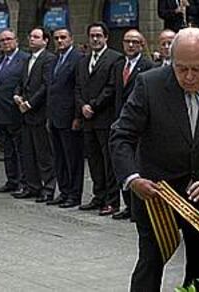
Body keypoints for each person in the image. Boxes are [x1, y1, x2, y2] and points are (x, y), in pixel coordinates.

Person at [109, 27, 199, 292]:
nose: (188, 77)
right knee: (150, 264)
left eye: (197, 69)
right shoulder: (150, 84)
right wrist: (132, 179)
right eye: (181, 68)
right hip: (155, 196)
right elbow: (121, 136)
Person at [75, 22, 122, 216]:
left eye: (98, 36)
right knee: (94, 161)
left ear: (106, 37)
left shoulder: (115, 58)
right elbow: (77, 87)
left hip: (104, 118)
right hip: (88, 120)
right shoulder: (83, 61)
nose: (95, 39)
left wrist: (93, 105)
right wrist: (82, 107)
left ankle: (112, 201)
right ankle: (98, 196)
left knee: (108, 162)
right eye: (92, 36)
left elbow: (111, 88)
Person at [112, 29, 154, 220]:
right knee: (122, 162)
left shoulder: (148, 67)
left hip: (140, 124)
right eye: (127, 42)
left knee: (136, 166)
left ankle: (137, 207)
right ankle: (127, 205)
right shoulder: (119, 64)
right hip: (120, 122)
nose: (130, 45)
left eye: (135, 42)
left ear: (141, 44)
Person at [13, 26, 56, 203]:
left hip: (39, 112)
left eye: (36, 37)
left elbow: (46, 85)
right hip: (25, 113)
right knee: (28, 152)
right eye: (31, 36)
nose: (32, 39)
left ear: (45, 41)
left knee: (43, 154)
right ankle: (32, 186)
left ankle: (48, 188)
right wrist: (17, 95)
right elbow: (22, 82)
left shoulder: (48, 59)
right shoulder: (27, 59)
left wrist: (30, 103)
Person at [46, 27, 84, 208]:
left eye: (63, 37)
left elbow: (78, 88)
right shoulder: (54, 60)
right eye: (56, 38)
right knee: (59, 157)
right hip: (54, 117)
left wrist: (77, 117)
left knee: (72, 158)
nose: (59, 41)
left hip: (70, 117)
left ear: (71, 39)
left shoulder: (77, 59)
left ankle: (74, 194)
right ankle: (64, 190)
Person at [0, 29, 29, 194]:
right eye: (2, 41)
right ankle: (11, 180)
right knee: (7, 150)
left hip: (15, 112)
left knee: (20, 149)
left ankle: (23, 181)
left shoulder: (24, 59)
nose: (5, 43)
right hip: (0, 112)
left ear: (16, 40)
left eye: (8, 39)